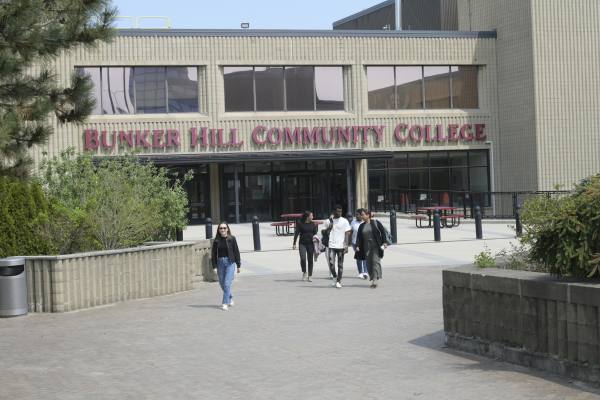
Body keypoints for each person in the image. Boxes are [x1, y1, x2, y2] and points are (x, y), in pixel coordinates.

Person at [355, 210, 391, 289]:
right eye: (361, 215)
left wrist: (384, 242)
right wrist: (357, 246)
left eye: (363, 215)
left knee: (375, 262)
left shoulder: (376, 222)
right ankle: (373, 277)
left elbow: (383, 232)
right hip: (366, 247)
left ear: (368, 215)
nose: (362, 216)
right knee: (369, 263)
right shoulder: (361, 226)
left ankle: (375, 280)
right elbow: (359, 237)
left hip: (376, 246)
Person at [211, 222, 241, 310]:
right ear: (218, 230)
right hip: (220, 263)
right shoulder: (216, 241)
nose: (223, 230)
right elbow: (213, 254)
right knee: (222, 284)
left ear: (227, 229)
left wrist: (238, 265)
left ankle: (225, 303)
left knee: (227, 283)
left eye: (224, 228)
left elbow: (236, 252)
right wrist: (214, 266)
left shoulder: (232, 239)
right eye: (221, 228)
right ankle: (230, 297)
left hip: (230, 263)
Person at [321, 205, 351, 288]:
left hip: (341, 246)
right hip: (331, 245)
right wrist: (329, 227)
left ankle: (339, 281)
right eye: (337, 211)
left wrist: (346, 245)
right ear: (333, 211)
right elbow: (323, 232)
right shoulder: (328, 221)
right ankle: (334, 277)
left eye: (340, 211)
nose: (339, 213)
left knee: (340, 265)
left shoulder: (344, 221)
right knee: (331, 265)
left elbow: (347, 233)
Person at [293, 210, 318, 282]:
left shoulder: (313, 224)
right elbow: (296, 233)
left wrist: (317, 244)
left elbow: (315, 235)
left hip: (311, 244)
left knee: (310, 260)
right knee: (303, 258)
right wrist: (294, 243)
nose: (313, 217)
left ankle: (310, 276)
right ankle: (304, 272)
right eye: (311, 215)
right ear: (307, 217)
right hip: (302, 244)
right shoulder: (300, 224)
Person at [351, 208, 368, 279]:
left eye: (358, 215)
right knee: (358, 257)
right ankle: (360, 272)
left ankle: (365, 272)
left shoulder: (365, 222)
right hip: (355, 242)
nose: (357, 216)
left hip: (364, 242)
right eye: (356, 215)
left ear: (362, 215)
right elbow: (350, 231)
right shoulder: (353, 222)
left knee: (365, 257)